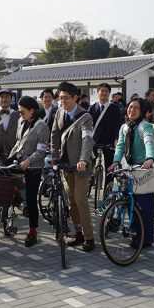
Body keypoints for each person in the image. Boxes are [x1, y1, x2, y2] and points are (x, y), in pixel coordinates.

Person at [51, 81, 95, 252]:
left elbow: (87, 139)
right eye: (60, 98)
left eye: (66, 98)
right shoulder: (59, 112)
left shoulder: (86, 117)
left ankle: (89, 237)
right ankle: (78, 233)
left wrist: (83, 159)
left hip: (80, 166)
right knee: (71, 201)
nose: (63, 102)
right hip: (65, 164)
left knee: (80, 200)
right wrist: (55, 156)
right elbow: (54, 134)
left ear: (75, 98)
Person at [107, 98, 154, 248]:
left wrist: (150, 158)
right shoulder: (124, 127)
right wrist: (116, 161)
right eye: (130, 107)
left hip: (143, 169)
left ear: (141, 111)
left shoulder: (145, 126)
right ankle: (135, 234)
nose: (132, 110)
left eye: (136, 108)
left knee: (144, 206)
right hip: (129, 168)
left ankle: (146, 239)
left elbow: (149, 142)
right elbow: (120, 146)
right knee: (131, 203)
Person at [7, 96, 50, 247]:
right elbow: (18, 143)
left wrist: (28, 161)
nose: (20, 115)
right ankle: (15, 202)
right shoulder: (21, 121)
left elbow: (41, 152)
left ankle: (33, 231)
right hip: (19, 161)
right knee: (2, 179)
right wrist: (9, 157)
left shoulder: (42, 127)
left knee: (31, 199)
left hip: (34, 166)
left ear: (32, 111)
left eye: (23, 112)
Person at [88, 83, 123, 185]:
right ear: (97, 92)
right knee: (90, 164)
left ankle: (108, 190)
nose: (104, 93)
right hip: (94, 141)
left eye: (106, 91)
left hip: (110, 141)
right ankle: (90, 182)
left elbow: (119, 125)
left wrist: (117, 138)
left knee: (109, 167)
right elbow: (87, 125)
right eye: (102, 91)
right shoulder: (92, 108)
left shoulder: (115, 108)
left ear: (109, 93)